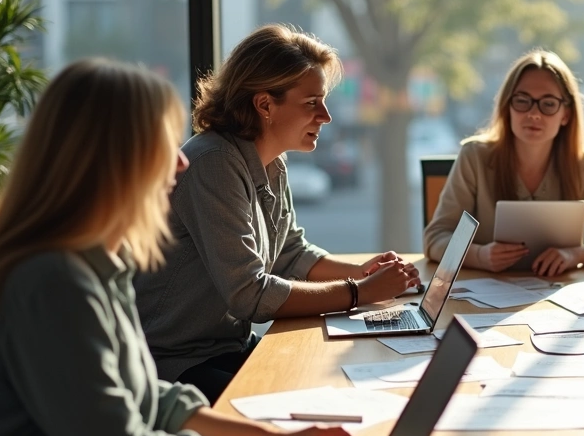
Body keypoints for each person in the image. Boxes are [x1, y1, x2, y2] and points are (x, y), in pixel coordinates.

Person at [0, 60, 371, 436]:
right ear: (110, 157)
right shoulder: (50, 282)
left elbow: (152, 401)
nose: (183, 161)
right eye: (162, 144)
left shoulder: (98, 262)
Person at [135, 25, 421, 404]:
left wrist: (364, 273)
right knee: (305, 403)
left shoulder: (270, 162)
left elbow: (290, 253)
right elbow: (249, 295)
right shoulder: (214, 163)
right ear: (265, 105)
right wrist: (359, 293)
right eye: (311, 103)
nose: (326, 116)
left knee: (329, 383)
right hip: (175, 365)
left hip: (224, 347)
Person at [422, 49, 584, 276]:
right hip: (477, 302)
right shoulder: (474, 157)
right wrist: (480, 256)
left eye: (548, 104)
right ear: (507, 107)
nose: (534, 114)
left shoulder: (580, 165)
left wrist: (575, 255)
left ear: (565, 115)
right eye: (522, 101)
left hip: (556, 298)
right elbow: (436, 238)